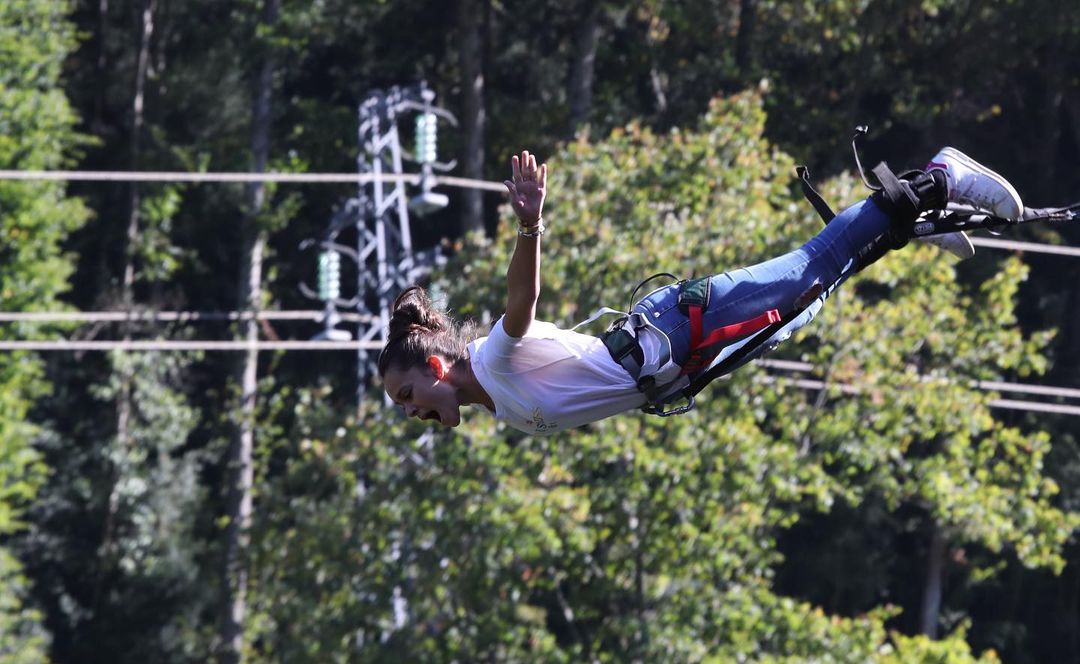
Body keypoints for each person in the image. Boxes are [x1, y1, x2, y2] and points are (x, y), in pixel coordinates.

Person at [378, 145, 1024, 436]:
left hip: (682, 328)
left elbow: (521, 304)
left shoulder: (493, 360)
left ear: (438, 365)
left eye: (408, 396)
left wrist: (530, 226)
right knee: (811, 297)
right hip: (684, 363)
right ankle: (908, 220)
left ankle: (937, 177)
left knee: (812, 267)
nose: (411, 412)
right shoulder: (500, 404)